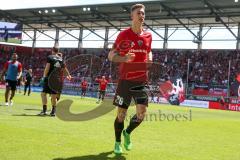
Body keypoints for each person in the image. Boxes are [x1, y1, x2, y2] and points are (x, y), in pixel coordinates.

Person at [108, 4, 152, 154]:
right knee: (121, 115)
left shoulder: (148, 36)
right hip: (125, 80)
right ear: (131, 16)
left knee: (141, 114)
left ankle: (127, 133)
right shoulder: (123, 35)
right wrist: (124, 58)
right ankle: (117, 142)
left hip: (141, 80)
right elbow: (111, 55)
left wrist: (150, 59)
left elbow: (149, 50)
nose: (142, 16)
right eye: (139, 13)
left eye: (143, 13)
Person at [39, 47, 71, 116]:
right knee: (54, 96)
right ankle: (53, 112)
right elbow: (65, 68)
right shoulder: (60, 59)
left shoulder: (50, 57)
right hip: (57, 79)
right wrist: (68, 75)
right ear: (58, 51)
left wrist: (44, 76)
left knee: (43, 94)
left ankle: (44, 111)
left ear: (52, 50)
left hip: (49, 78)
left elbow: (47, 67)